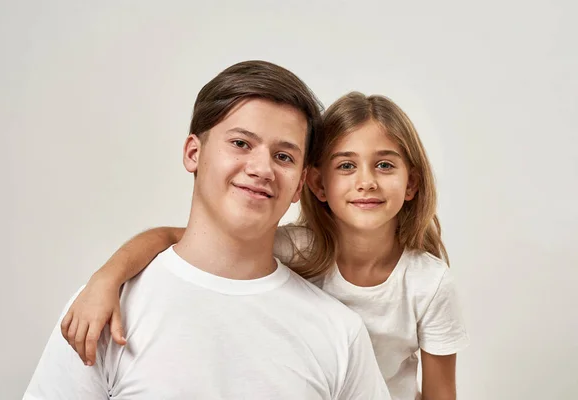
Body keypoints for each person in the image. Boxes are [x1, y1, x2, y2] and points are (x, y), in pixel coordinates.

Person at [62, 91, 470, 399]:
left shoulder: (428, 284)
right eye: (346, 165)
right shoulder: (297, 249)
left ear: (412, 183)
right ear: (318, 184)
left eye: (384, 165)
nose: (366, 181)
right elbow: (179, 240)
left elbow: (438, 394)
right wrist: (107, 277)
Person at [24, 61, 391, 399]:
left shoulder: (338, 333)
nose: (262, 168)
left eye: (284, 156)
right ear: (193, 153)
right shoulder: (105, 310)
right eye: (240, 143)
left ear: (299, 185)